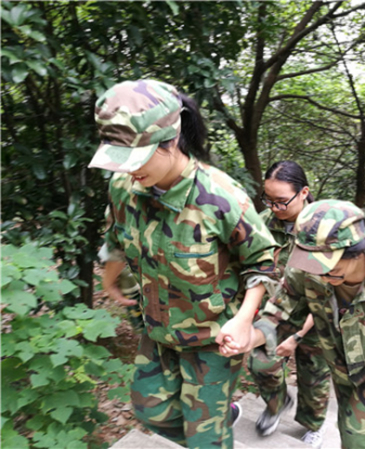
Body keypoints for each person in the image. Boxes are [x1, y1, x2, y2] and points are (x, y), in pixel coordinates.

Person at [89, 79, 279, 449]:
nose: (130, 171)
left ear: (170, 140)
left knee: (204, 440)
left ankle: (211, 431)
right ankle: (215, 423)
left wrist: (244, 320)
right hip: (159, 329)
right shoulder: (123, 187)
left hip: (213, 340)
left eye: (138, 159)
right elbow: (116, 235)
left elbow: (263, 261)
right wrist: (110, 276)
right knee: (150, 412)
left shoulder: (220, 196)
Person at [220, 200, 365, 449]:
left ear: (358, 250)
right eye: (311, 263)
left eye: (328, 265)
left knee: (363, 433)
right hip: (341, 367)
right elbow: (279, 315)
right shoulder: (304, 272)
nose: (319, 273)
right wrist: (249, 337)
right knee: (364, 424)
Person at [247, 161, 330, 447]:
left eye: (281, 201)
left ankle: (312, 424)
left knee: (314, 375)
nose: (274, 207)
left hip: (318, 314)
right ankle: (276, 403)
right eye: (268, 200)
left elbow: (327, 292)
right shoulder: (264, 222)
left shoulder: (324, 230)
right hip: (276, 310)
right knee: (261, 364)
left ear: (304, 192)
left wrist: (298, 336)